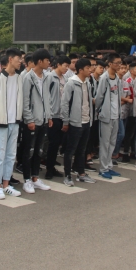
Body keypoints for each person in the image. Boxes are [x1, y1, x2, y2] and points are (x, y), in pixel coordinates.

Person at [0, 48, 24, 199]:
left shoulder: (20, 78)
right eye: (18, 59)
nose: (20, 62)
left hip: (15, 121)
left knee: (11, 155)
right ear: (10, 59)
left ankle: (6, 184)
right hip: (1, 122)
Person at [60, 58, 96, 186]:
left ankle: (81, 173)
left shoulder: (87, 83)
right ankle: (67, 175)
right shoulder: (71, 83)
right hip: (75, 122)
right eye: (88, 68)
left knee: (82, 149)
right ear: (80, 70)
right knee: (70, 150)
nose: (90, 70)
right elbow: (64, 103)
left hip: (86, 121)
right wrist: (66, 121)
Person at [20, 49, 53, 192]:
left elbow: (47, 98)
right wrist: (29, 119)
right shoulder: (28, 78)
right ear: (40, 61)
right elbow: (25, 101)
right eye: (47, 60)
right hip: (32, 120)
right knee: (29, 151)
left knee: (39, 151)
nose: (49, 63)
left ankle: (35, 177)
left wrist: (49, 116)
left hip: (43, 119)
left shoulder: (46, 77)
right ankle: (27, 180)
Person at [95, 53, 123, 179]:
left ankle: (109, 166)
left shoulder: (117, 78)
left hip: (116, 115)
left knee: (112, 142)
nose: (119, 65)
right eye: (117, 63)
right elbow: (99, 97)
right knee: (104, 143)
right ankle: (103, 168)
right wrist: (99, 110)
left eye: (120, 63)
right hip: (106, 116)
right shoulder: (104, 78)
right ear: (110, 64)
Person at [43, 55, 69, 180]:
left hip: (62, 115)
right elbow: (45, 96)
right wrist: (48, 114)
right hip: (52, 115)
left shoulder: (65, 79)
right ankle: (49, 169)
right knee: (52, 143)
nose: (66, 68)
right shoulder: (49, 77)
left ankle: (52, 166)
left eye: (68, 66)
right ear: (58, 64)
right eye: (65, 66)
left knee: (57, 143)